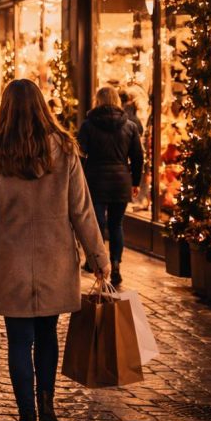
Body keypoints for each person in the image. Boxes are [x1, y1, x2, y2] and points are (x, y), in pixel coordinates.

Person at [0, 79, 110, 421]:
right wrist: (99, 256)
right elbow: (81, 210)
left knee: (19, 341)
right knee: (47, 335)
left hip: (10, 258)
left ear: (5, 109)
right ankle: (47, 402)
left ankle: (28, 419)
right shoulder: (64, 149)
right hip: (55, 256)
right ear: (42, 107)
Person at [77, 86, 144, 286]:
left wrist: (78, 180)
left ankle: (96, 263)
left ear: (98, 101)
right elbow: (137, 158)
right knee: (116, 224)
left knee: (97, 224)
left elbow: (80, 155)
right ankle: (115, 264)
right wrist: (135, 182)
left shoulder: (89, 125)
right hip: (121, 180)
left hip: (95, 180)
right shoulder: (130, 126)